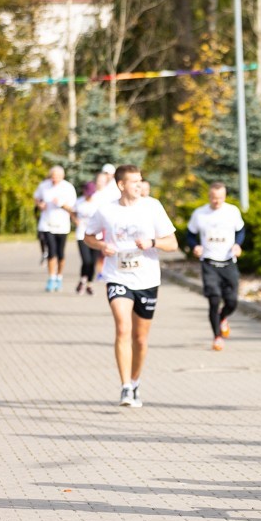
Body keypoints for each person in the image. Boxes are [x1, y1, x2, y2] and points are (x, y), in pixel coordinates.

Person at [84, 165, 178, 408]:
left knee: (140, 338)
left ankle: (135, 382)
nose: (139, 185)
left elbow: (172, 243)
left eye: (140, 180)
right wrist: (101, 246)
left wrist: (152, 242)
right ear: (121, 185)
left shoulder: (152, 207)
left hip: (147, 279)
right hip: (117, 276)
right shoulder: (106, 210)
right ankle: (125, 386)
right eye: (134, 181)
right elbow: (88, 236)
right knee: (123, 328)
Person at [186, 182, 245, 351]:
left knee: (232, 301)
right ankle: (217, 336)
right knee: (214, 299)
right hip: (209, 262)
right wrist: (195, 246)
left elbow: (240, 231)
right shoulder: (200, 214)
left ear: (224, 196)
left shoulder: (232, 211)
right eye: (213, 198)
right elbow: (190, 234)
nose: (216, 201)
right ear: (209, 196)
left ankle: (222, 317)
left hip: (228, 262)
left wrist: (238, 244)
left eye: (220, 198)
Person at [33, 165, 78, 292]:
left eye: (57, 177)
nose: (54, 179)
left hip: (62, 225)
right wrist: (40, 204)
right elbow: (36, 197)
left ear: (62, 176)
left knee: (60, 253)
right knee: (51, 251)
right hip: (47, 223)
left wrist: (61, 204)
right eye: (53, 176)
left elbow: (73, 209)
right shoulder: (44, 186)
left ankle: (59, 276)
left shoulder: (68, 188)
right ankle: (51, 278)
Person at [72, 176, 105, 295]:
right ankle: (82, 280)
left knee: (93, 262)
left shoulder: (98, 202)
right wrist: (75, 220)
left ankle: (89, 284)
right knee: (86, 260)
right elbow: (73, 213)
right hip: (82, 234)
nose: (89, 196)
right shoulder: (79, 202)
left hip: (96, 235)